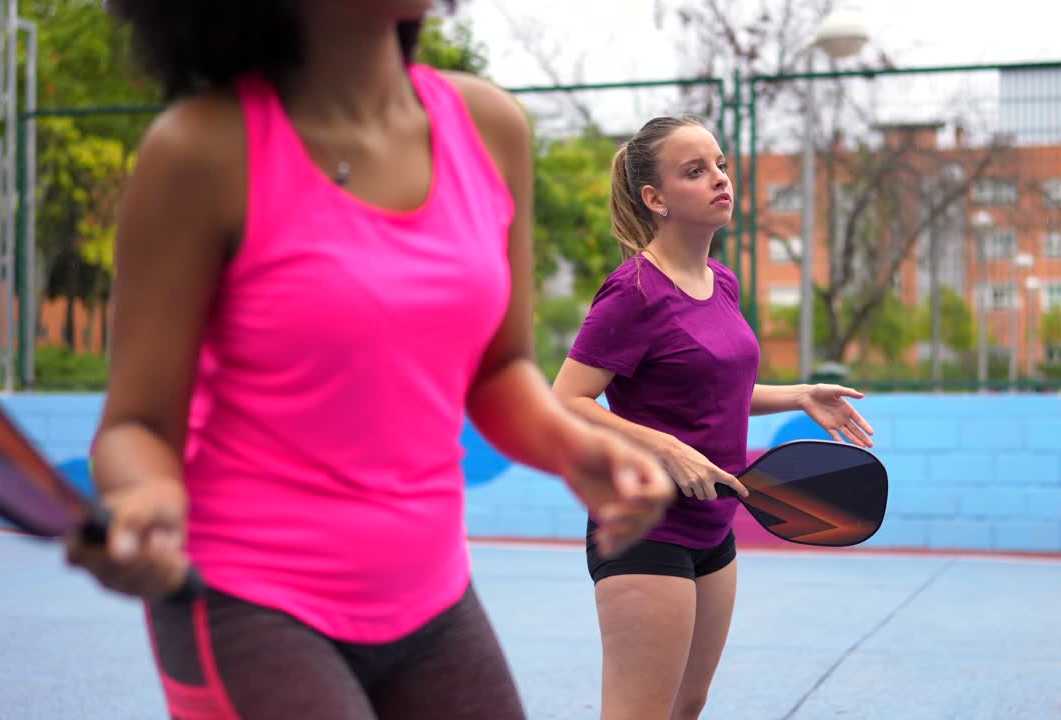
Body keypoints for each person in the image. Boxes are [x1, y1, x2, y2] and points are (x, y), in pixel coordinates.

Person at [64, 3, 674, 719]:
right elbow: (134, 425)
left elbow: (500, 368)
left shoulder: (490, 127)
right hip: (243, 596)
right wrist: (144, 498)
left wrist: (576, 446)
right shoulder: (200, 151)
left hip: (433, 596)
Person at [551, 115, 875, 720]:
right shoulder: (634, 291)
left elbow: (715, 388)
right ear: (656, 199)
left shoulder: (720, 282)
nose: (720, 180)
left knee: (689, 705)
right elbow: (565, 401)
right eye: (695, 171)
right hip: (646, 528)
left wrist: (800, 393)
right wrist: (665, 449)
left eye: (720, 165)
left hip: (714, 529)